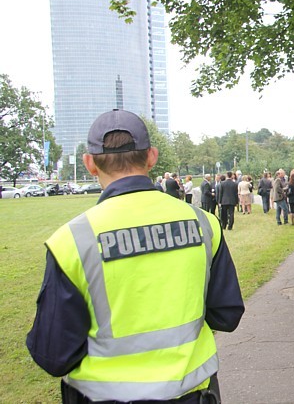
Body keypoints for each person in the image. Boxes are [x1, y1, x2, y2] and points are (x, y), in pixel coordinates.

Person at [26, 109, 244, 404]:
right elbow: (226, 314)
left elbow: (53, 354)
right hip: (192, 393)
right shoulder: (203, 223)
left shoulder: (73, 240)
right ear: (151, 157)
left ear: (90, 163)